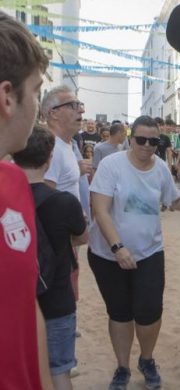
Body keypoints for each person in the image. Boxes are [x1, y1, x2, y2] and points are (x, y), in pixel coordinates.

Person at [87, 115, 180, 390]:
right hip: (108, 255)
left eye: (153, 141)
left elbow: (175, 200)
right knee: (119, 313)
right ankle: (122, 367)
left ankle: (147, 359)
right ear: (131, 139)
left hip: (149, 253)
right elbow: (101, 210)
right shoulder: (111, 165)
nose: (146, 145)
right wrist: (118, 247)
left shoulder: (161, 169)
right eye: (141, 139)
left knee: (149, 311)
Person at [13, 126, 88, 390]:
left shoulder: (7, 199)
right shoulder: (65, 202)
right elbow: (82, 237)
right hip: (57, 297)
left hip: (18, 303)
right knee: (59, 371)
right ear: (48, 159)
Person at [0, 11, 53, 390]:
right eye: (36, 91)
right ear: (7, 97)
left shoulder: (16, 183)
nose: (37, 107)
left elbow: (27, 301)